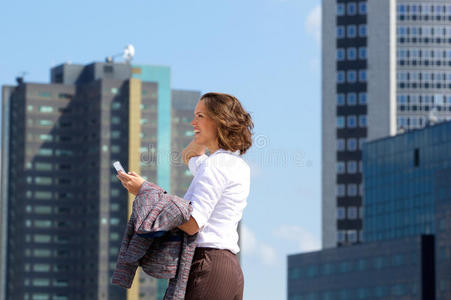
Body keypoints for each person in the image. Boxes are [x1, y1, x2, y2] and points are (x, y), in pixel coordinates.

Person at [117, 92, 254, 300]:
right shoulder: (236, 165)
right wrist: (203, 132)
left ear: (219, 120)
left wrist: (145, 190)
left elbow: (193, 222)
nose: (192, 122)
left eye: (199, 116)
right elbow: (189, 155)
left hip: (207, 264)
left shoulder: (214, 166)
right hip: (228, 268)